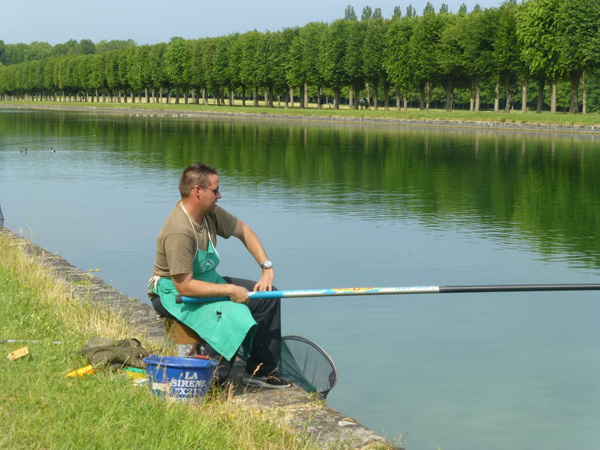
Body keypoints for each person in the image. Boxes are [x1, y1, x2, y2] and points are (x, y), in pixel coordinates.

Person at [148, 162, 290, 389]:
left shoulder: (210, 213)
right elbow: (185, 286)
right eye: (215, 191)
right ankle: (211, 380)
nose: (220, 195)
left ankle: (260, 373)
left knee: (268, 296)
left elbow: (244, 230)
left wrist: (266, 268)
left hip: (206, 282)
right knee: (232, 312)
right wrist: (229, 290)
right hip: (173, 293)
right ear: (197, 191)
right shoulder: (178, 230)